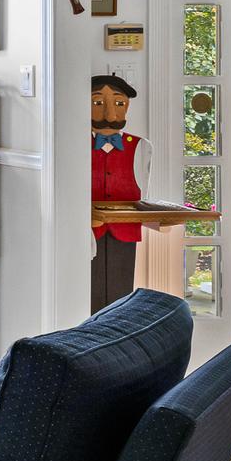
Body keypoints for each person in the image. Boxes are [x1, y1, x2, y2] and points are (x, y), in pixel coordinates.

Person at [89, 74, 151, 311]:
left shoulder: (141, 147)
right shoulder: (74, 145)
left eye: (118, 103)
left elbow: (143, 190)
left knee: (120, 291)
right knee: (88, 292)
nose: (109, 115)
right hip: (88, 231)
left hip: (125, 230)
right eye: (97, 103)